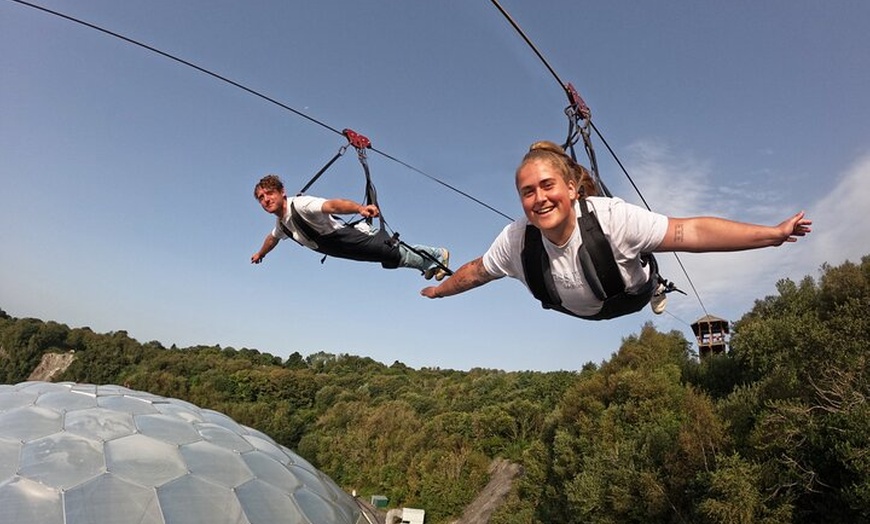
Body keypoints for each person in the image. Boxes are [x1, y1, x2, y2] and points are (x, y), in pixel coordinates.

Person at [420, 141, 812, 319]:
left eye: (547, 186)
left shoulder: (612, 218)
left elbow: (688, 233)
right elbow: (476, 271)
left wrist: (771, 234)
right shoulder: (516, 240)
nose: (538, 198)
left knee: (638, 262)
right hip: (582, 311)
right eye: (527, 192)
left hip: (630, 295)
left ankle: (658, 284)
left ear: (572, 189)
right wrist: (440, 290)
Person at [252, 174, 450, 279]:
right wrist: (261, 254)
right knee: (387, 258)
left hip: (350, 237)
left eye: (269, 193)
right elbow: (272, 238)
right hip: (340, 247)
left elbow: (332, 205)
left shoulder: (300, 205)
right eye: (261, 198)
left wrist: (360, 208)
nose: (266, 200)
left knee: (390, 251)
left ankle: (437, 255)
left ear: (282, 192)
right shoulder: (282, 223)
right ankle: (427, 264)